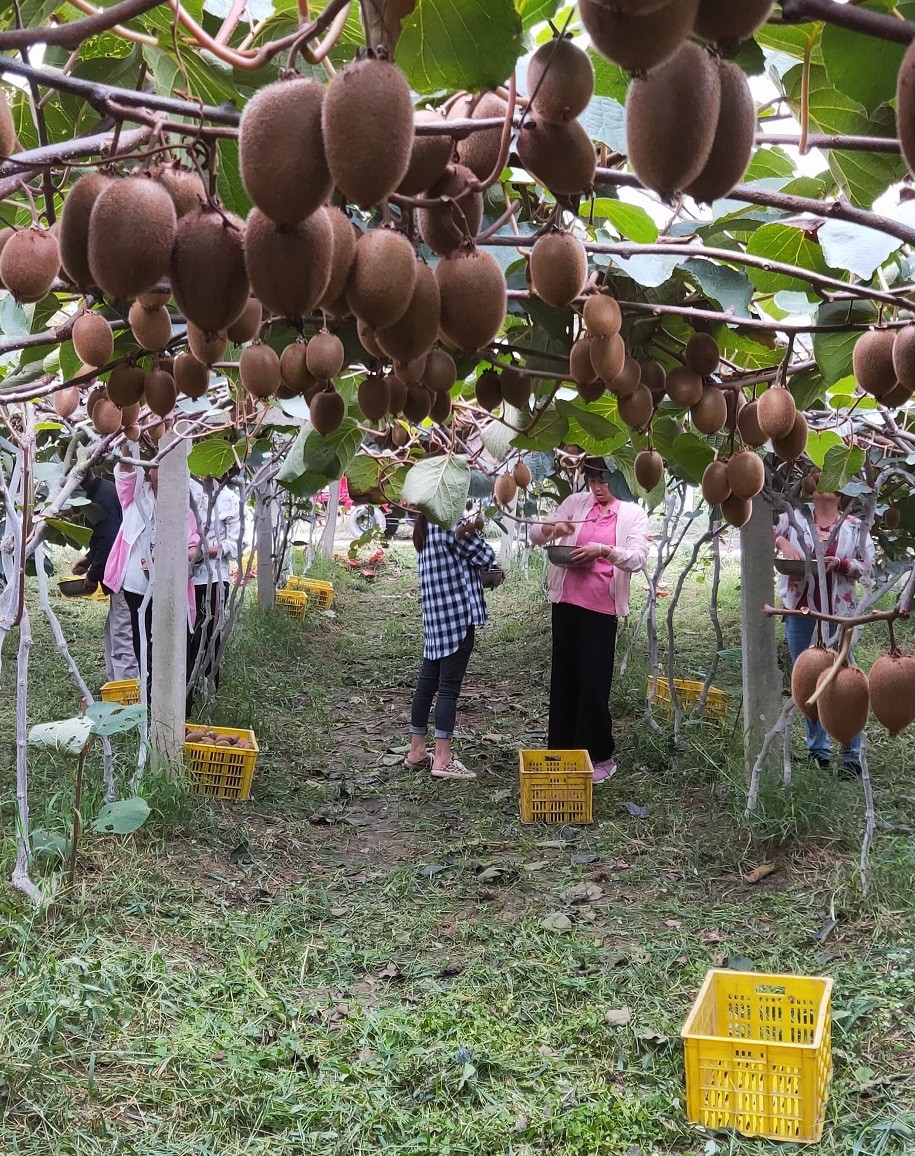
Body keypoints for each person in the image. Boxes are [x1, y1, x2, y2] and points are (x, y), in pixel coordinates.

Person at [530, 458, 650, 784]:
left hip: (601, 608)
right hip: (566, 602)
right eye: (593, 481)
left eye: (604, 481)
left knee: (594, 683)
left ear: (619, 478)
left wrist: (604, 550)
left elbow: (637, 558)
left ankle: (599, 754)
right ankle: (563, 751)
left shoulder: (632, 514)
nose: (597, 488)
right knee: (564, 678)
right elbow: (536, 534)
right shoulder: (576, 503)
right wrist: (551, 529)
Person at [775, 482, 874, 776]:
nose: (822, 480)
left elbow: (867, 565)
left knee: (844, 680)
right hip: (800, 610)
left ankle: (851, 753)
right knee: (806, 680)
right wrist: (783, 543)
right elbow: (760, 533)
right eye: (816, 474)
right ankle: (818, 750)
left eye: (829, 475)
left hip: (840, 615)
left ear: (843, 487)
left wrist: (842, 563)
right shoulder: (793, 518)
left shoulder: (854, 527)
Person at [405, 512, 497, 781]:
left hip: (434, 617)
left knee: (426, 685)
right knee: (448, 688)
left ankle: (417, 752)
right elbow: (485, 555)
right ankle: (443, 759)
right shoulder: (450, 522)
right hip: (456, 616)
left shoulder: (423, 522)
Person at [103, 454, 199, 701]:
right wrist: (126, 440)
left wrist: (176, 557)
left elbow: (193, 546)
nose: (162, 470)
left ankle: (176, 699)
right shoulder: (134, 497)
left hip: (168, 587)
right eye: (157, 465)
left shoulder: (182, 508)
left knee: (171, 642)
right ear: (149, 470)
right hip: (136, 585)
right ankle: (149, 698)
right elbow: (125, 473)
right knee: (141, 642)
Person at [72, 471, 137, 682]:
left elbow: (110, 540)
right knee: (113, 629)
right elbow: (108, 536)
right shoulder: (102, 492)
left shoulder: (102, 499)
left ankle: (126, 692)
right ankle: (114, 682)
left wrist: (92, 575)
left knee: (122, 635)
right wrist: (90, 559)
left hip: (124, 576)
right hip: (121, 574)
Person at [188, 475, 242, 707]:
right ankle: (187, 687)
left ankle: (209, 688)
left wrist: (205, 551)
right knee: (190, 632)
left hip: (215, 577)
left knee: (210, 632)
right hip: (188, 579)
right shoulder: (189, 492)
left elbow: (236, 544)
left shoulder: (230, 500)